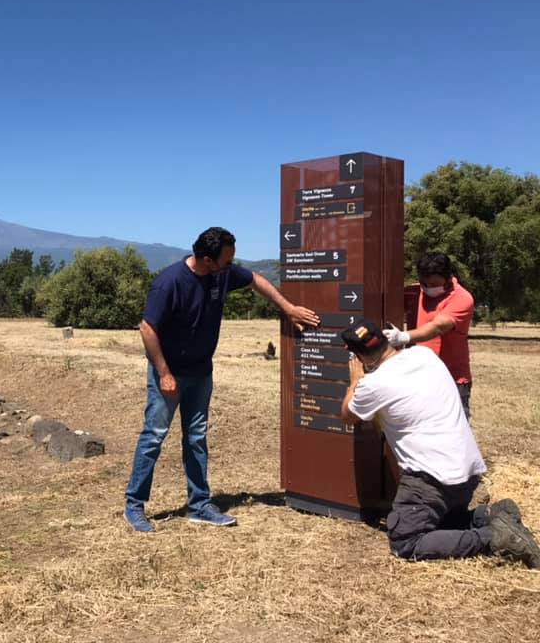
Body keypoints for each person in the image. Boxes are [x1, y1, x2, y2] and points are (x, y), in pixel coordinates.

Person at [123, 227, 320, 533]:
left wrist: (287, 308)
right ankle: (134, 506)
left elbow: (255, 279)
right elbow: (147, 328)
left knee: (196, 439)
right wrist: (163, 373)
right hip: (170, 374)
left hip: (202, 373)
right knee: (153, 437)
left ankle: (199, 505)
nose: (231, 267)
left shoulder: (222, 274)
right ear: (205, 259)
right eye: (226, 261)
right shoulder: (170, 282)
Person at [340, 318, 539, 566]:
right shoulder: (425, 355)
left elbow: (348, 415)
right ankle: (489, 515)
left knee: (406, 542)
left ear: (359, 357)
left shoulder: (373, 384)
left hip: (431, 480)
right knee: (441, 523)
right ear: (383, 338)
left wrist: (355, 381)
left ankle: (494, 537)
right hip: (467, 473)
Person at [383, 253, 474, 416]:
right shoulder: (414, 292)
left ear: (448, 278)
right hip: (416, 376)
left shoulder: (462, 298)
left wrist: (403, 337)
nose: (427, 287)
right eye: (424, 282)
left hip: (451, 379)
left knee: (451, 433)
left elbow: (438, 327)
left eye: (433, 284)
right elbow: (383, 304)